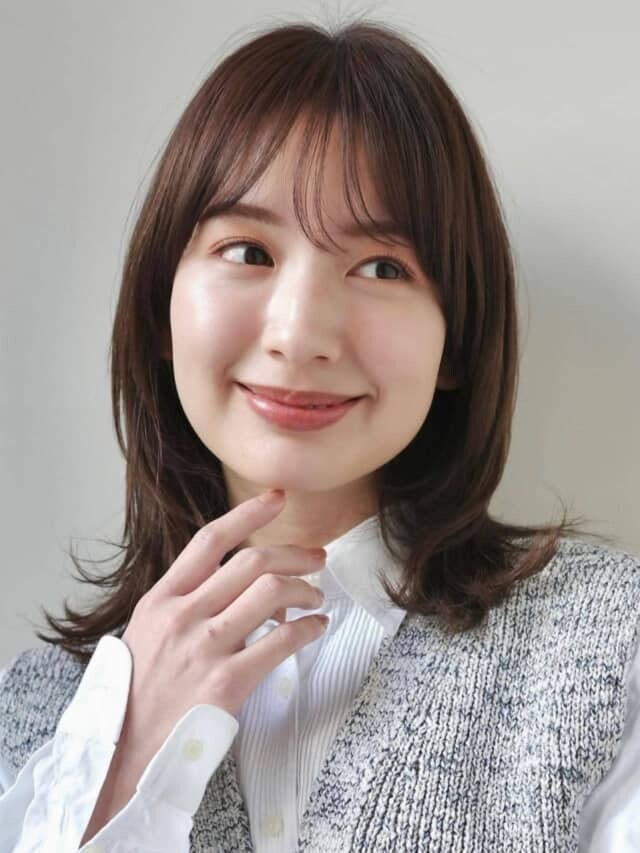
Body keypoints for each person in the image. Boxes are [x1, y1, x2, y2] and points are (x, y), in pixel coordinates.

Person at [1, 16, 639, 853]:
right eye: (248, 251)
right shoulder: (38, 715)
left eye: (381, 267)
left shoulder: (607, 648)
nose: (300, 334)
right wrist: (115, 777)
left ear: (456, 340)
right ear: (161, 306)